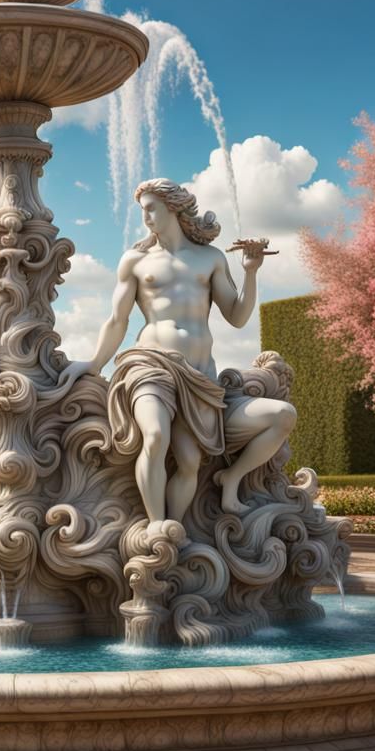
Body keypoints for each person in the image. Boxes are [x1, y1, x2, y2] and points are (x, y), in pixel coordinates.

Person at [56, 178, 295, 524]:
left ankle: (195, 513)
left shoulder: (210, 258)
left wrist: (251, 272)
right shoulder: (135, 260)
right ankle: (156, 528)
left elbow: (238, 317)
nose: (146, 217)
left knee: (196, 459)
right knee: (154, 435)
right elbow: (117, 320)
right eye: (143, 211)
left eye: (151, 208)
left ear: (172, 208)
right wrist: (94, 362)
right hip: (150, 364)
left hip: (199, 376)